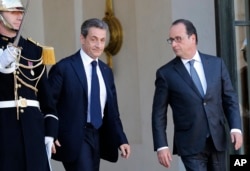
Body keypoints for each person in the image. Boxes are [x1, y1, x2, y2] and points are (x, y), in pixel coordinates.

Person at [151, 18, 243, 171]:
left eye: (178, 39)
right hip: (190, 143)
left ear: (192, 38)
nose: (173, 44)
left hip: (217, 140)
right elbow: (158, 113)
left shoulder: (216, 64)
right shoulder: (165, 73)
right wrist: (161, 145)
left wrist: (236, 128)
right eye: (171, 40)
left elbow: (230, 99)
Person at [48, 18, 131, 171]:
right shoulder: (64, 68)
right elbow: (48, 104)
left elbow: (113, 112)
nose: (99, 45)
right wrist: (49, 133)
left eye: (102, 40)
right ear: (82, 38)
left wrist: (122, 139)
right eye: (93, 39)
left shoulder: (106, 72)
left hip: (98, 136)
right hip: (74, 138)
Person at [0, 0, 58, 171]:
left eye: (21, 11)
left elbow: (47, 101)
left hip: (33, 131)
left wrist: (50, 132)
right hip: (4, 131)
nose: (20, 16)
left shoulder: (34, 50)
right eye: (13, 12)